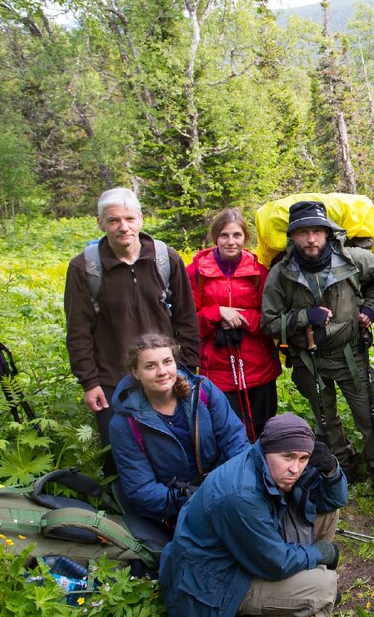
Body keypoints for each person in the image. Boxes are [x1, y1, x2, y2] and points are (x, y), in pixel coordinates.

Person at [159, 414, 347, 617]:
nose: (295, 468)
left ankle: (300, 579)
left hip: (242, 553)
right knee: (324, 590)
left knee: (325, 510)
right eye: (288, 456)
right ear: (268, 449)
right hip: (215, 582)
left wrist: (332, 470)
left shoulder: (264, 464)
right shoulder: (241, 494)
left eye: (303, 459)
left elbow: (333, 501)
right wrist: (317, 553)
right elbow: (274, 562)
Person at [261, 200, 374, 509]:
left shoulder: (351, 259)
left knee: (371, 417)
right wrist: (302, 317)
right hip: (308, 360)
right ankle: (342, 465)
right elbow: (268, 323)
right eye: (303, 233)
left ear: (328, 233)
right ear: (292, 236)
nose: (311, 239)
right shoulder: (281, 274)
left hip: (351, 355)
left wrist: (369, 306)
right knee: (325, 420)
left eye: (316, 231)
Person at [64, 187, 199, 476]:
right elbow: (78, 331)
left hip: (165, 374)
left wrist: (185, 369)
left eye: (128, 218)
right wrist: (89, 382)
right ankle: (119, 515)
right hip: (113, 381)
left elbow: (187, 319)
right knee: (119, 458)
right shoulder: (84, 267)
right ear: (101, 224)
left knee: (174, 450)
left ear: (140, 219)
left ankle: (173, 510)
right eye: (113, 221)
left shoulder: (166, 259)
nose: (122, 227)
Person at [110, 333, 250, 530]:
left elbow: (236, 444)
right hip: (174, 509)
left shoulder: (203, 391)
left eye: (167, 362)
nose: (162, 372)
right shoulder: (125, 423)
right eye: (150, 366)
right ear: (135, 372)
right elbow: (142, 491)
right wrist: (197, 501)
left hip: (223, 491)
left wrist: (224, 490)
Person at [187, 208, 282, 439]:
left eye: (237, 235)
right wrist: (216, 312)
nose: (231, 242)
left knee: (263, 428)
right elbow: (189, 324)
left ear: (245, 238)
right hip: (217, 369)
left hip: (259, 366)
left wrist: (241, 319)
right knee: (226, 429)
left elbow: (272, 320)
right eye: (224, 235)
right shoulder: (195, 273)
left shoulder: (259, 272)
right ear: (215, 237)